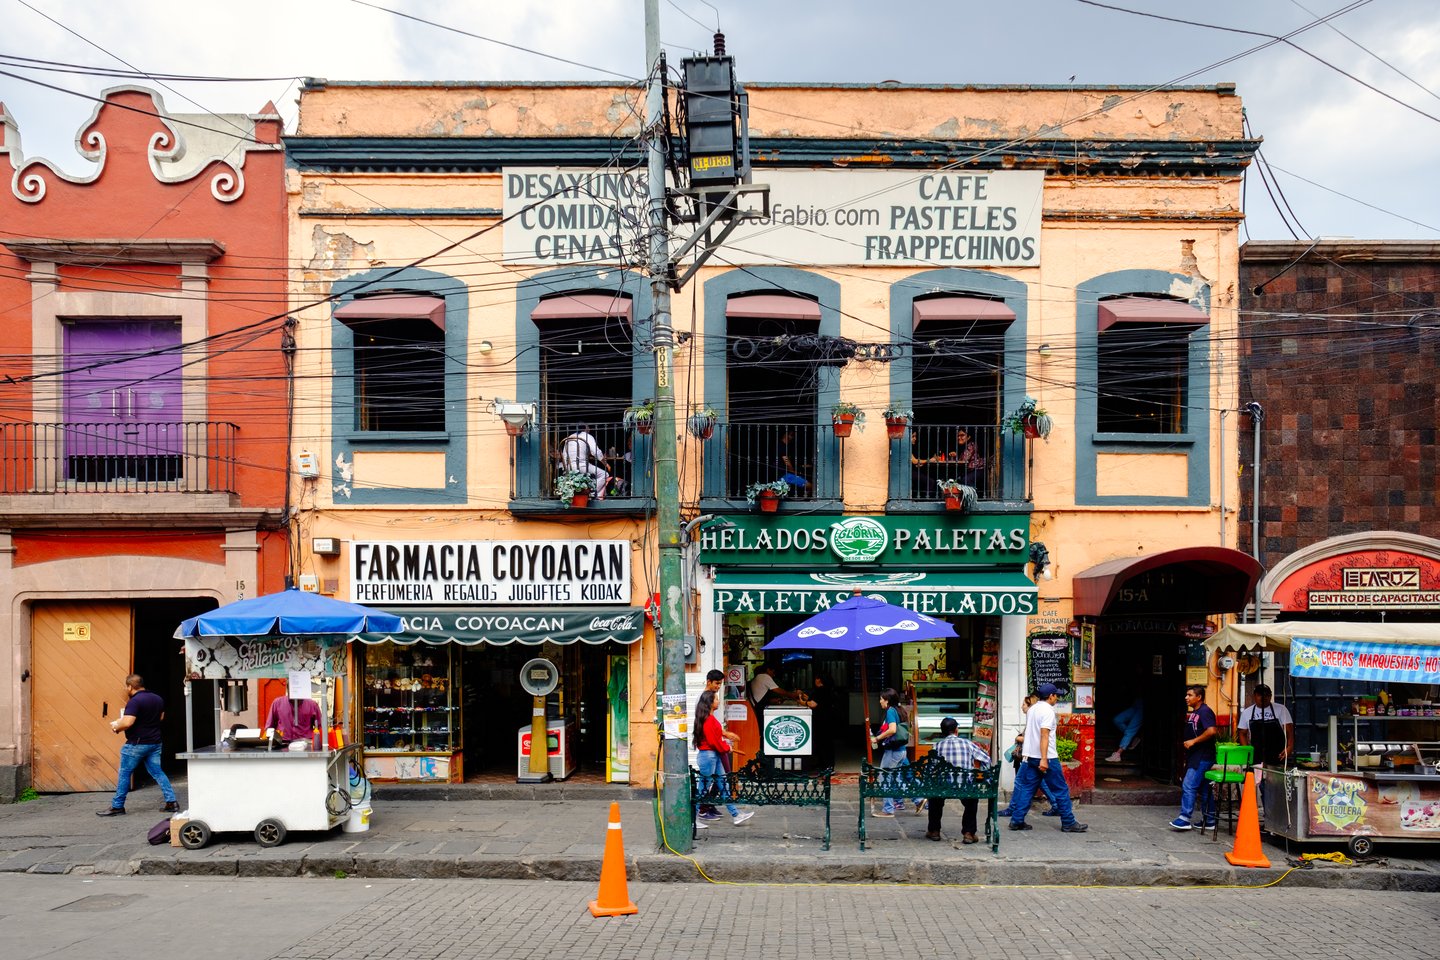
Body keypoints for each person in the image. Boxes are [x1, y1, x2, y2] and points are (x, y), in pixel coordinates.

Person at [1007, 683, 1087, 833]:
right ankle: (1068, 822)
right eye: (1056, 695)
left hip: (1031, 756)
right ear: (1050, 696)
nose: (1057, 698)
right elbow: (1044, 734)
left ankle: (1017, 820)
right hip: (1046, 757)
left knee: (1027, 789)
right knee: (1061, 789)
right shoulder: (1048, 711)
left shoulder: (1033, 709)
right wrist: (1044, 758)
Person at [98, 674, 178, 816]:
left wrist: (116, 727)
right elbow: (161, 717)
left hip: (137, 744)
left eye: (126, 686)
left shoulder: (135, 701)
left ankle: (117, 806)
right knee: (158, 772)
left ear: (130, 686)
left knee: (124, 774)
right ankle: (171, 802)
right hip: (155, 742)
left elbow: (128, 722)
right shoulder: (157, 698)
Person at [692, 689, 754, 827]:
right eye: (716, 699)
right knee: (703, 788)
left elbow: (716, 739)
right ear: (710, 703)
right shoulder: (708, 720)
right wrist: (726, 748)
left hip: (713, 755)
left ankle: (736, 815)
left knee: (723, 785)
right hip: (709, 756)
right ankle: (693, 820)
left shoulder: (708, 719)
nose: (718, 701)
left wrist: (725, 744)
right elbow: (714, 741)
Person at [925, 716, 990, 843]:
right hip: (965, 786)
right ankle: (969, 833)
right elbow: (986, 759)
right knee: (971, 801)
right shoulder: (967, 744)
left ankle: (934, 831)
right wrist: (981, 776)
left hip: (943, 786)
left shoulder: (937, 746)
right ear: (956, 730)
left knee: (935, 799)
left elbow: (931, 769)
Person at [999, 694, 1058, 817]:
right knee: (1037, 782)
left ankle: (1015, 812)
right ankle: (1017, 814)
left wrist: (1019, 738)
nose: (1022, 707)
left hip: (1032, 757)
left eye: (1024, 705)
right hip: (1034, 757)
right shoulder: (1036, 717)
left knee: (1023, 783)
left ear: (1030, 705)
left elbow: (1039, 738)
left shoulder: (1038, 716)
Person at [1170, 684, 1218, 831]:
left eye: (1190, 695)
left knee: (1188, 785)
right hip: (1196, 755)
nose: (1186, 697)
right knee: (1204, 789)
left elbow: (1211, 731)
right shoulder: (1195, 712)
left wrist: (1193, 741)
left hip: (1202, 756)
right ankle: (1210, 820)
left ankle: (1184, 818)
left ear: (1199, 697)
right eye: (1187, 695)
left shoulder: (1205, 711)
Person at [869, 687, 909, 817]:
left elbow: (892, 730)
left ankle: (888, 809)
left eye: (881, 699)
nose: (880, 701)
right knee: (896, 778)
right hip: (902, 750)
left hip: (893, 751)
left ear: (887, 700)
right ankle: (919, 798)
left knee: (884, 778)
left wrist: (878, 738)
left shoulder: (890, 711)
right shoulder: (900, 710)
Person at [1236, 683, 1294, 767]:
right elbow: (1242, 733)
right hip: (1256, 755)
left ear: (1270, 696)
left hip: (1278, 755)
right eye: (1260, 695)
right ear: (1254, 696)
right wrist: (1247, 751)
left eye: (1267, 695)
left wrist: (1289, 747)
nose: (1263, 697)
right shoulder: (1247, 712)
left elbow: (1289, 731)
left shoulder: (1281, 709)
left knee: (1276, 778)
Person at [697, 669, 727, 821]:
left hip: (713, 747)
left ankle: (710, 806)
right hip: (709, 748)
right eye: (717, 683)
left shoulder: (711, 699)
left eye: (720, 684)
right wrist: (724, 745)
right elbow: (706, 728)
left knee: (720, 779)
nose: (718, 687)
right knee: (707, 781)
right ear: (709, 682)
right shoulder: (703, 700)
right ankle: (701, 809)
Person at [559, 425, 611, 501]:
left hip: (569, 467)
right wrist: (606, 464)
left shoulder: (569, 438)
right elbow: (596, 452)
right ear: (586, 429)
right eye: (588, 428)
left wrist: (565, 469)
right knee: (604, 474)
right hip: (581, 466)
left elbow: (564, 455)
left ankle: (596, 496)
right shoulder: (587, 436)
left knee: (590, 474)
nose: (589, 430)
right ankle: (592, 494)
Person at [1105, 696, 1144, 763]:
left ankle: (1118, 755)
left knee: (1129, 731)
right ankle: (1134, 737)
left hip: (1144, 706)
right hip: (1137, 703)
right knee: (1117, 720)